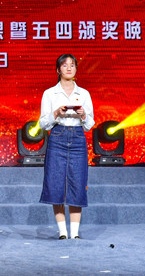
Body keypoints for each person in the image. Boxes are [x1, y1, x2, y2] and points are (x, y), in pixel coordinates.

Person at [39, 54, 94, 240]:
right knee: (56, 183)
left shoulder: (84, 94)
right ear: (58, 70)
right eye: (65, 65)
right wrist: (56, 113)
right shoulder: (49, 93)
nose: (69, 68)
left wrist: (83, 115)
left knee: (77, 183)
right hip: (58, 136)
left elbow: (90, 124)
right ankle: (63, 232)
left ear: (76, 69)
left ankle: (75, 234)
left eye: (72, 65)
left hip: (78, 137)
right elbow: (43, 124)